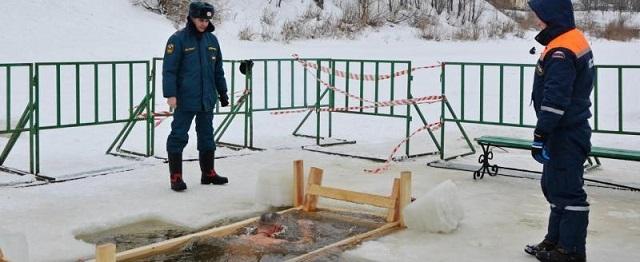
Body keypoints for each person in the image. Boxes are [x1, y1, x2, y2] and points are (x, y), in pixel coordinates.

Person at [524, 1, 594, 261]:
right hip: (564, 130)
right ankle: (555, 241)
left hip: (565, 132)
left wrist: (541, 134)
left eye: (539, 15)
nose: (537, 20)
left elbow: (556, 100)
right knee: (554, 187)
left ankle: (571, 251)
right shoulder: (567, 39)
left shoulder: (562, 50)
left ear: (551, 15)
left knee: (567, 190)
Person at [163, 1, 229, 191]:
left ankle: (208, 173)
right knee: (178, 136)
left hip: (207, 99)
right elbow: (169, 70)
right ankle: (176, 176)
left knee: (207, 135)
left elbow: (218, 70)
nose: (203, 24)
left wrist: (222, 92)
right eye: (200, 20)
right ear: (191, 18)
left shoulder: (212, 41)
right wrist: (171, 94)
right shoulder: (178, 39)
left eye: (207, 21)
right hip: (185, 99)